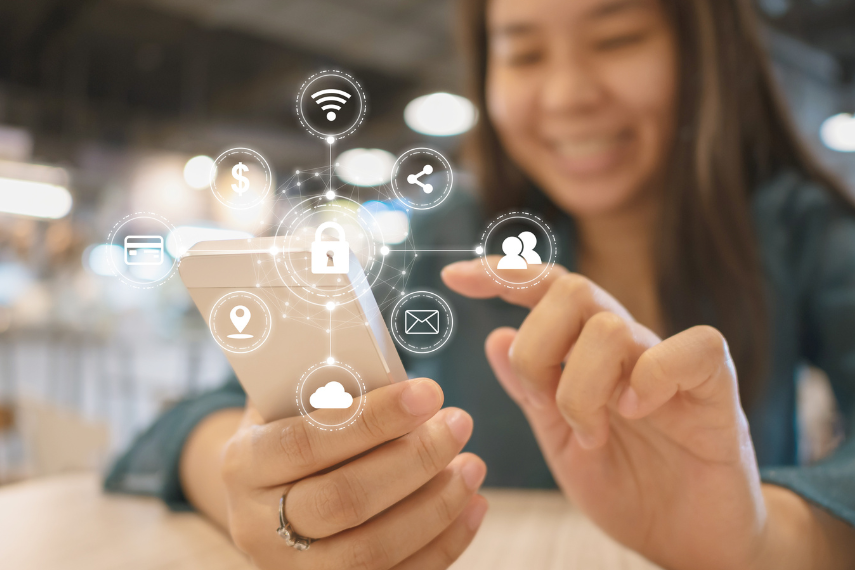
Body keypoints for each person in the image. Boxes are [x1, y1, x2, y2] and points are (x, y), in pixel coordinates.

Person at [105, 0, 855, 568]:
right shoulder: (451, 231)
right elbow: (181, 430)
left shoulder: (793, 225)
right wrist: (254, 490)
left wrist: (765, 537)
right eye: (522, 53)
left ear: (702, 48)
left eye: (617, 38)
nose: (564, 95)